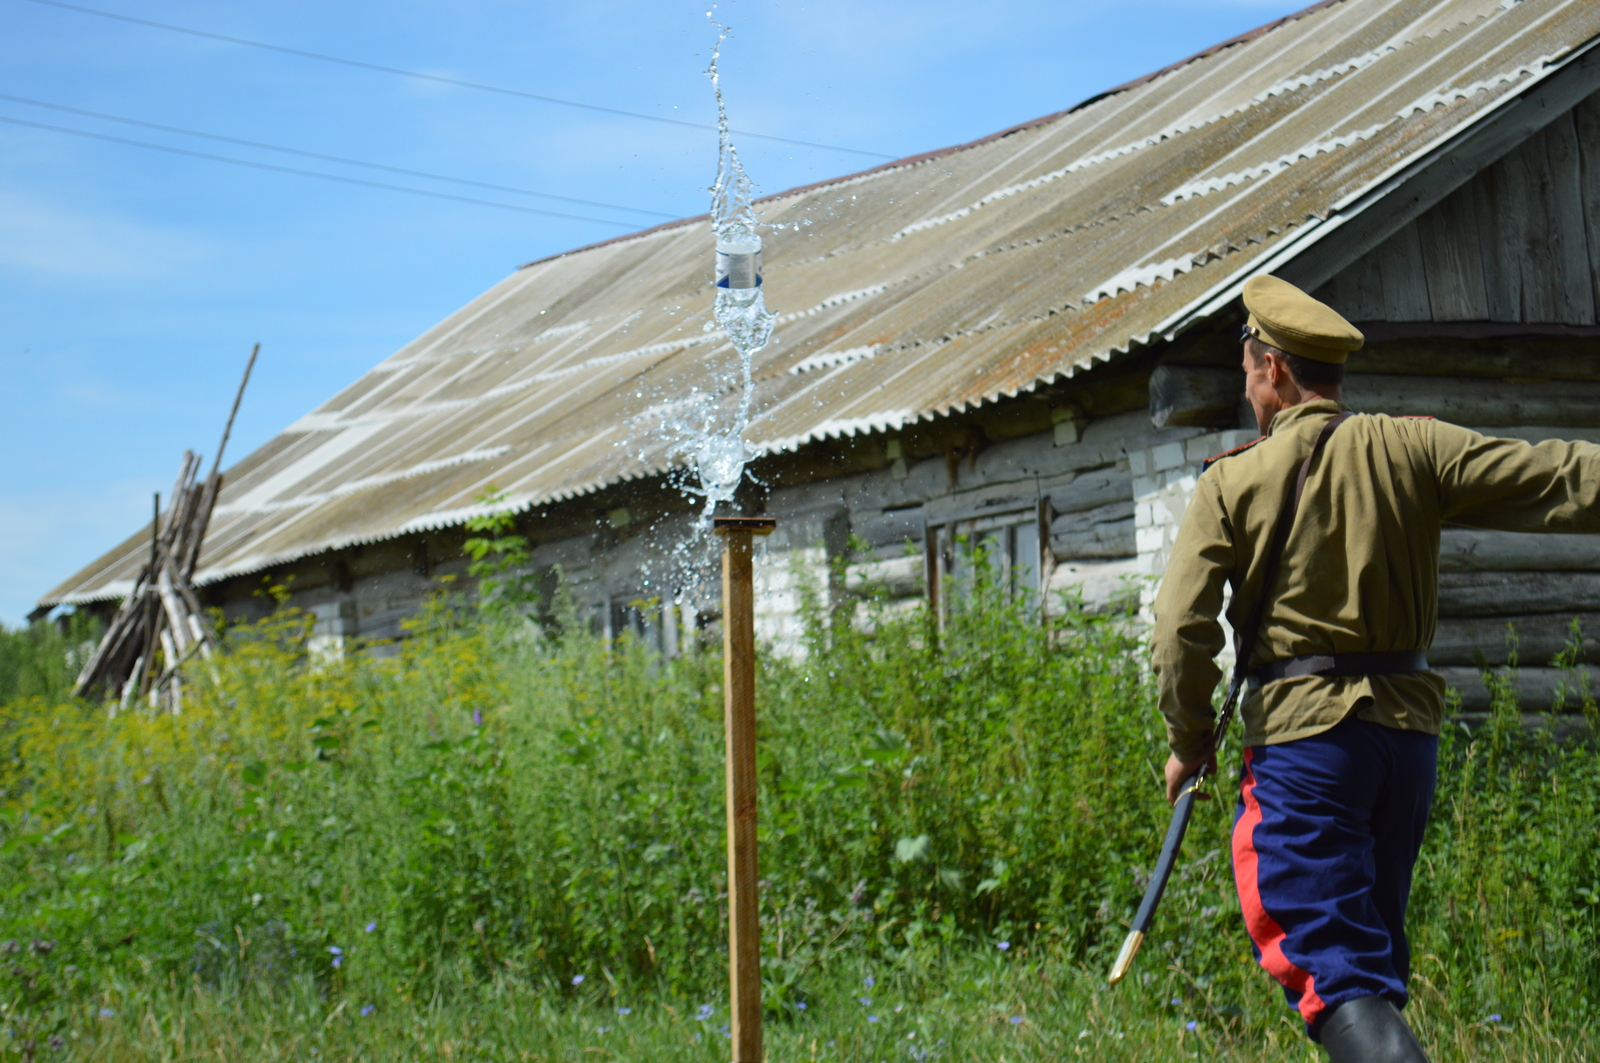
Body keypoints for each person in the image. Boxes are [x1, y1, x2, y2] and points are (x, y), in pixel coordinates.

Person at [1149, 275, 1600, 1063]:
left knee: (1337, 975)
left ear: (1274, 369)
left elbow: (1180, 630)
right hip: (1407, 747)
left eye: (1250, 367)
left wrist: (1190, 737)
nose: (1249, 384)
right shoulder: (1414, 445)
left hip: (1306, 749)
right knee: (1371, 967)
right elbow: (1558, 474)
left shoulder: (1232, 480)